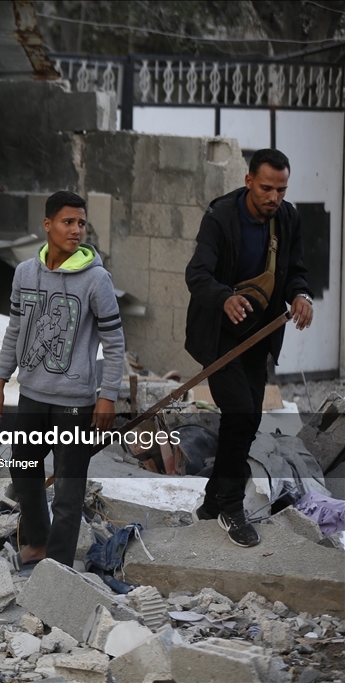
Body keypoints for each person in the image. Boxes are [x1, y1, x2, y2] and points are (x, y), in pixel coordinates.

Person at [0, 191, 124, 570]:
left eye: (81, 223)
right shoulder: (24, 273)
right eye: (68, 222)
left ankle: (58, 567)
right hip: (32, 394)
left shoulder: (97, 280)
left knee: (67, 487)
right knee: (24, 469)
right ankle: (39, 543)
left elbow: (114, 342)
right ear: (47, 225)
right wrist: (0, 381)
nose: (76, 230)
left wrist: (107, 395)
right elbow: (14, 331)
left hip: (75, 402)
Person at [185, 148, 312, 548]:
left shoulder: (287, 218)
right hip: (220, 336)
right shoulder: (220, 217)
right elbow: (197, 273)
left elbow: (295, 271)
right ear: (248, 182)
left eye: (281, 189)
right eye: (267, 188)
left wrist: (302, 295)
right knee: (239, 412)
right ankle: (230, 507)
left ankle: (209, 505)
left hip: (260, 336)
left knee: (248, 418)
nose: (274, 197)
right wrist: (224, 297)